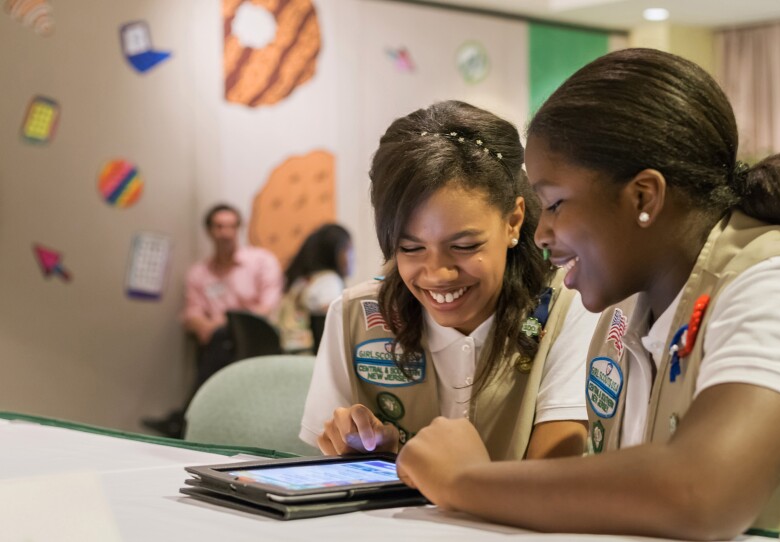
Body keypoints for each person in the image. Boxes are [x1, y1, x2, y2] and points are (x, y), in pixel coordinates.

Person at [395, 49, 780, 540]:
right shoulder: (628, 311)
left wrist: (464, 481)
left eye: (556, 204)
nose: (542, 235)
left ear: (644, 197)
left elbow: (700, 494)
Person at [299, 100, 601, 461]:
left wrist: (440, 474)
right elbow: (325, 474)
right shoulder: (357, 316)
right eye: (410, 248)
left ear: (513, 221)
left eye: (463, 245)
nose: (437, 274)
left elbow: (552, 478)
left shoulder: (567, 307)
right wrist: (364, 451)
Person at [143, 203, 283, 438]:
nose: (226, 233)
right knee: (218, 339)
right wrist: (205, 326)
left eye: (230, 226)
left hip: (257, 338)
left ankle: (184, 417)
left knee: (220, 336)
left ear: (239, 228)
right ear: (209, 231)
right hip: (218, 342)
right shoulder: (199, 273)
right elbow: (192, 314)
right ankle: (195, 419)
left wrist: (220, 325)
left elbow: (265, 309)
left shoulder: (261, 262)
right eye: (219, 227)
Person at [276, 223, 353, 353]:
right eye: (349, 249)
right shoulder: (329, 282)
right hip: (309, 356)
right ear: (337, 252)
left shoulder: (302, 280)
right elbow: (334, 320)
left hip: (287, 351)